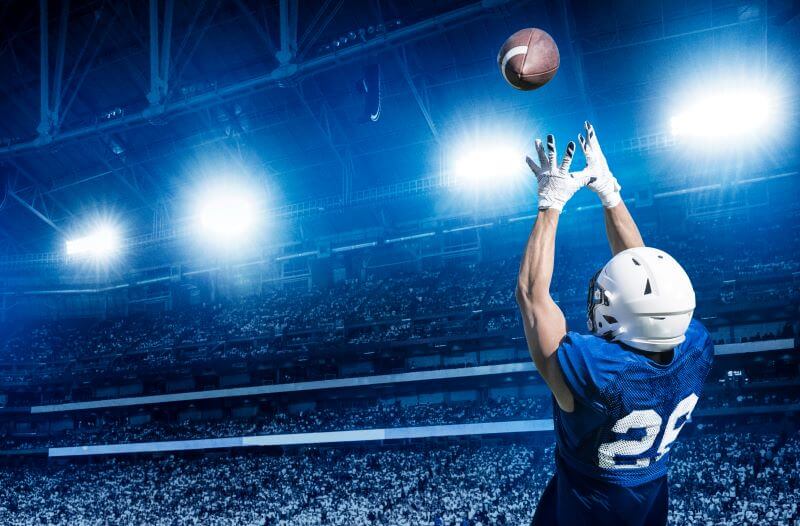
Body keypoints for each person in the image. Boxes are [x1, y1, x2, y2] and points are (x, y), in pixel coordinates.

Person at [515, 122, 715, 526]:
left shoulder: (597, 371)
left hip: (585, 510)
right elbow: (647, 281)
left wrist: (550, 204)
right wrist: (611, 194)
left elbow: (532, 297)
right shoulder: (694, 348)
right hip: (647, 505)